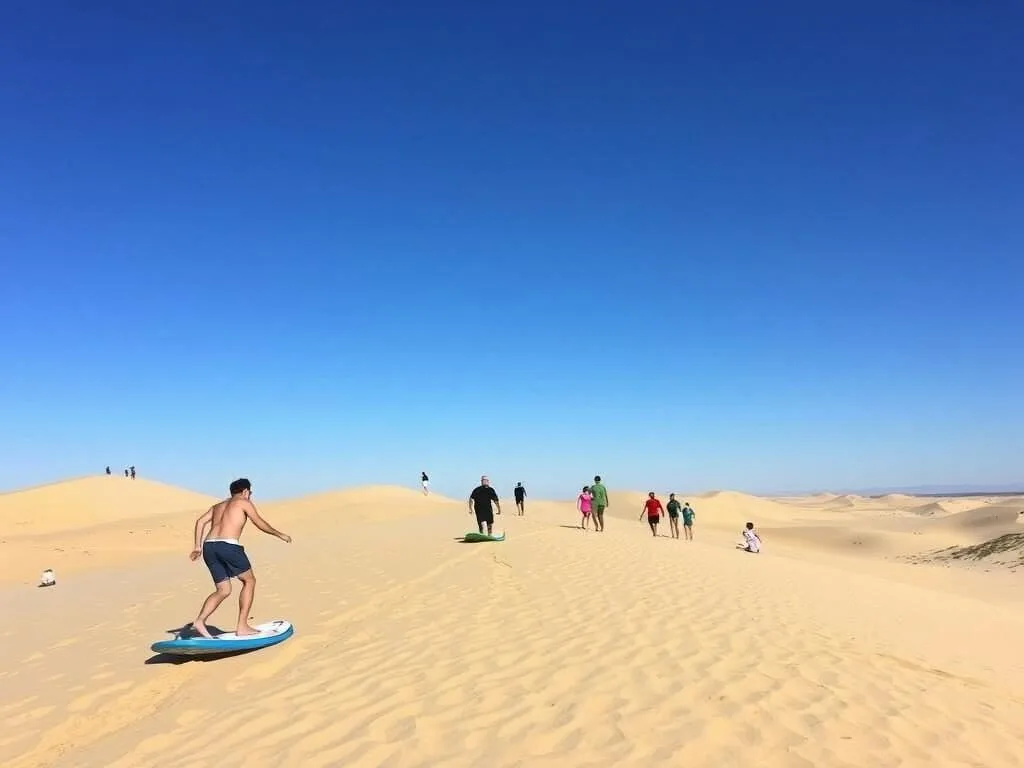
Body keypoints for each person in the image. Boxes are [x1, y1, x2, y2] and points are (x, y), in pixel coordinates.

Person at [188, 478, 292, 639]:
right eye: (250, 492)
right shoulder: (243, 502)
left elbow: (200, 522)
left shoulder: (218, 506)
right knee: (249, 581)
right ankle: (242, 626)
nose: (250, 495)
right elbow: (259, 522)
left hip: (209, 547)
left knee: (223, 590)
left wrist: (197, 547)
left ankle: (200, 621)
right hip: (228, 545)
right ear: (245, 491)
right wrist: (279, 534)